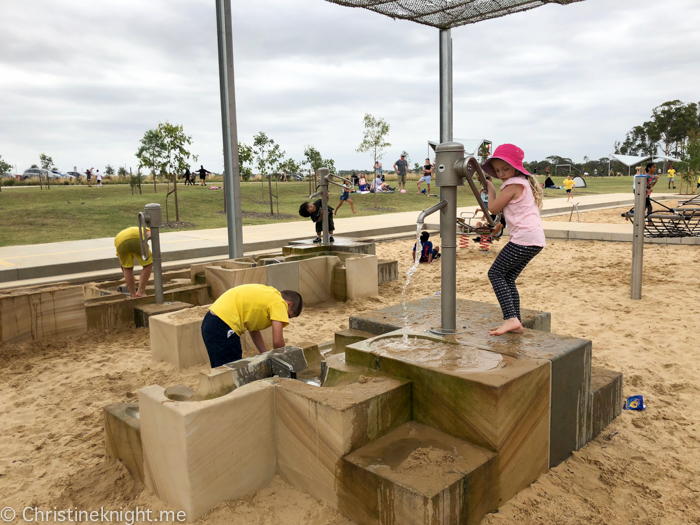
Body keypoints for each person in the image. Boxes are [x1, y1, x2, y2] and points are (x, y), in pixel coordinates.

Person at [483, 144, 546, 336]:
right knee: (508, 278)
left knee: (495, 274)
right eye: (497, 170)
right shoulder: (522, 183)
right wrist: (500, 225)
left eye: (505, 169)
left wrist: (490, 188)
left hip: (524, 238)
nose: (501, 173)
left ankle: (510, 319)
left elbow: (493, 208)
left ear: (516, 167)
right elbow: (513, 211)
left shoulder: (513, 185)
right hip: (535, 239)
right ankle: (515, 321)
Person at [201, 284, 303, 367]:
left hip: (211, 322)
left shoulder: (268, 295)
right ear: (289, 304)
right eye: (288, 316)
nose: (283, 319)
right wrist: (283, 360)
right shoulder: (279, 303)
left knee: (220, 369)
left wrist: (265, 354)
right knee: (230, 371)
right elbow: (277, 342)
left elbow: (254, 330)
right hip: (224, 326)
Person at [114, 226, 153, 298]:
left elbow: (122, 264)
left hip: (120, 242)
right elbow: (152, 235)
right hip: (136, 239)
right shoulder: (145, 229)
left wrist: (129, 280)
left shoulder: (121, 236)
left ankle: (132, 294)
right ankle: (141, 291)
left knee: (127, 268)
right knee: (148, 264)